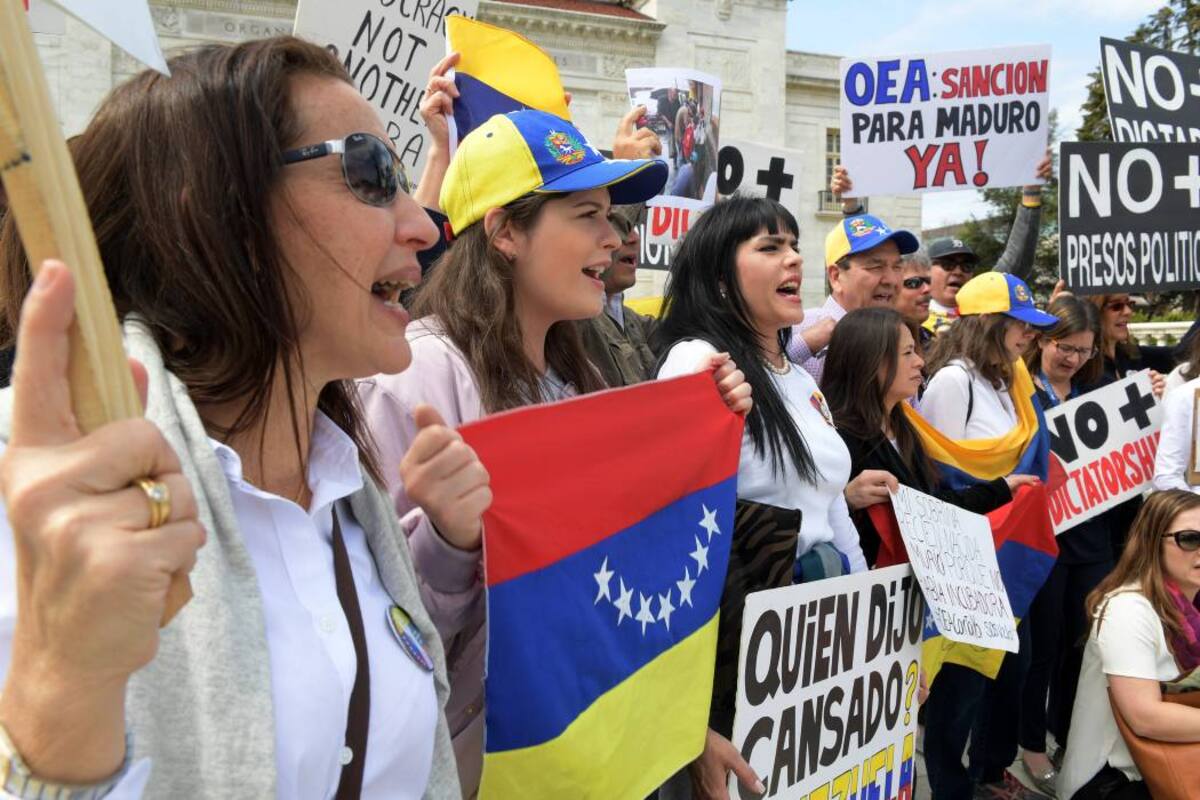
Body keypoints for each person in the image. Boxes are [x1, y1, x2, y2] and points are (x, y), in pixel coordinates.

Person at [0, 37, 480, 798]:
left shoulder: (351, 495)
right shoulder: (47, 487)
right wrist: (62, 678)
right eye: (371, 173)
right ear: (221, 214)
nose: (424, 225)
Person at [360, 109, 749, 796]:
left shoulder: (581, 378)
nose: (614, 236)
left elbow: (608, 591)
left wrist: (700, 424)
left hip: (582, 760)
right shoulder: (416, 377)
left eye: (611, 215)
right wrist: (447, 541)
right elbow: (382, 639)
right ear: (506, 232)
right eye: (587, 215)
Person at [653, 194, 868, 799]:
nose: (793, 259)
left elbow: (832, 510)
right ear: (721, 279)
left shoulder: (799, 380)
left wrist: (871, 636)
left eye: (794, 245)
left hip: (818, 636)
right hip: (738, 647)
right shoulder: (699, 362)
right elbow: (671, 522)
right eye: (770, 247)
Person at [919, 271, 1058, 800]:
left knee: (1013, 668)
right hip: (970, 554)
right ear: (986, 324)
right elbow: (940, 471)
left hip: (1007, 552)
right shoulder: (953, 383)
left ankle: (988, 770)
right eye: (1019, 323)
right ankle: (951, 785)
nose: (1030, 334)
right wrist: (1002, 489)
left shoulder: (1010, 381)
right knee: (962, 684)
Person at [822, 307, 1025, 566]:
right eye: (907, 353)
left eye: (916, 351)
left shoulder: (905, 428)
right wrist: (846, 501)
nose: (919, 361)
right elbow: (807, 519)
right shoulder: (835, 437)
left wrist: (1002, 489)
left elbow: (930, 507)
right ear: (870, 361)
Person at [1018, 296, 1113, 794]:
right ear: (1042, 340)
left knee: (1081, 644)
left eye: (1083, 350)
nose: (1072, 358)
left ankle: (1069, 737)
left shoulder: (1099, 390)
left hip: (1092, 539)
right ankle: (1031, 744)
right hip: (1043, 538)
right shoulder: (1020, 389)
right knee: (1043, 647)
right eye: (1064, 347)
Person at [1058, 489, 1200, 800]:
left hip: (1176, 761)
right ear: (1152, 543)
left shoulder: (1191, 606)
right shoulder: (1129, 608)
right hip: (1115, 780)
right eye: (1190, 539)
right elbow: (1144, 716)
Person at [829, 154, 1052, 338]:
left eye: (967, 266)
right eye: (947, 264)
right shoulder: (900, 317)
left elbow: (1015, 263)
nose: (958, 271)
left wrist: (1031, 195)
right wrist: (852, 207)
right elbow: (867, 255)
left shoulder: (979, 314)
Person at [783, 213, 919, 383]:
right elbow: (761, 377)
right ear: (836, 276)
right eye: (876, 267)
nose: (891, 280)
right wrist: (803, 347)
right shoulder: (794, 332)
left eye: (897, 267)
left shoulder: (902, 337)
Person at [578, 204, 659, 387]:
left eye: (635, 227)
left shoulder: (632, 320)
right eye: (621, 226)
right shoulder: (575, 323)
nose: (634, 239)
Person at [895, 250, 934, 350]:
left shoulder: (933, 341)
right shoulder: (877, 345)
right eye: (914, 283)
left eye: (929, 281)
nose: (927, 289)